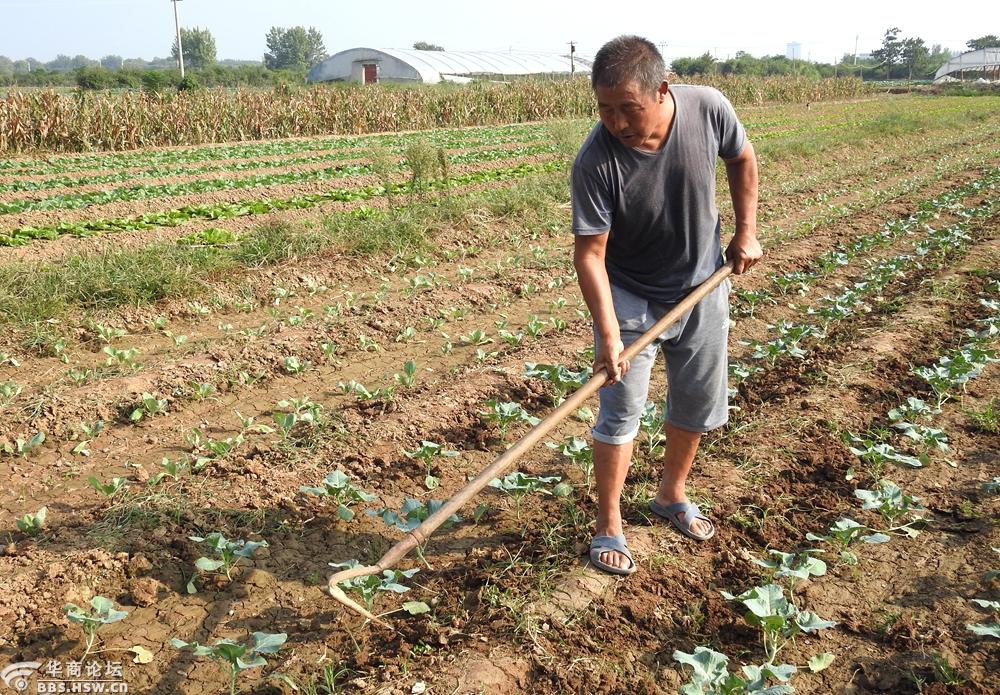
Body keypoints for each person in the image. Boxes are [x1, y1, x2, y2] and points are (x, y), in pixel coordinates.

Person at [571, 36, 761, 575]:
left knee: (696, 401)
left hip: (702, 282)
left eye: (626, 108)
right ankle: (609, 525)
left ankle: (671, 495)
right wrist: (609, 333)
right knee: (619, 410)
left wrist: (745, 231)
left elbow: (742, 158)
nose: (615, 121)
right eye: (604, 109)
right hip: (630, 291)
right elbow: (590, 254)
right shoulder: (596, 161)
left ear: (662, 88)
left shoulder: (708, 108)